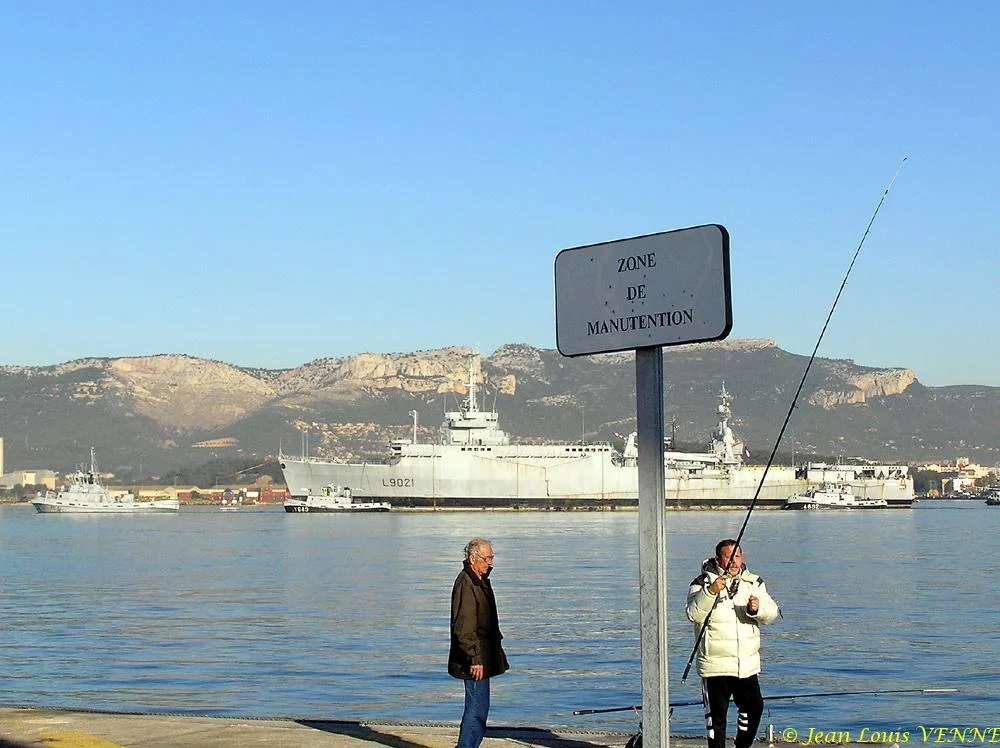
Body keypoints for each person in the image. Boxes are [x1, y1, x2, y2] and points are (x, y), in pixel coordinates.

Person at [685, 539, 780, 748]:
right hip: (714, 665)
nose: (734, 562)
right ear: (718, 558)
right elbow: (693, 614)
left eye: (738, 556)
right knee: (716, 721)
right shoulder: (701, 582)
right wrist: (710, 592)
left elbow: (773, 613)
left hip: (746, 665)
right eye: (729, 557)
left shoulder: (754, 582)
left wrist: (757, 609)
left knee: (754, 707)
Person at [449, 537, 509, 748]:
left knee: (479, 709)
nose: (490, 562)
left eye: (491, 557)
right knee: (476, 711)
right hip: (475, 659)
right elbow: (463, 628)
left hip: (482, 655)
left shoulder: (479, 580)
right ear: (473, 558)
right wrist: (474, 658)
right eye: (487, 558)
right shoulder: (467, 583)